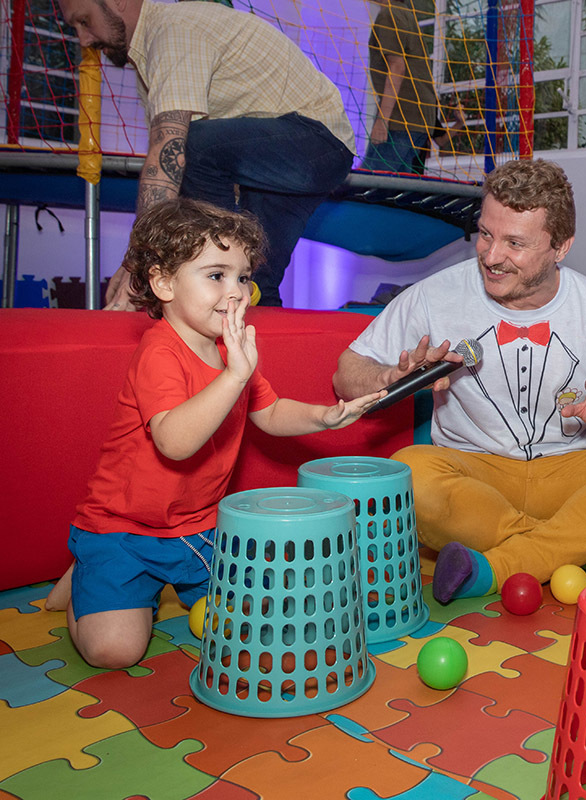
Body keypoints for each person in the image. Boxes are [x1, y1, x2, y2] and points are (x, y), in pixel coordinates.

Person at [333, 158, 586, 604]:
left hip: (567, 472)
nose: (491, 256)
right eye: (486, 234)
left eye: (515, 243)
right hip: (473, 473)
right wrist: (391, 376)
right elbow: (345, 375)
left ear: (560, 247)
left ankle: (501, 566)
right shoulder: (434, 294)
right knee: (409, 474)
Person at [45, 199, 382, 669]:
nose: (236, 292)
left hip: (199, 527)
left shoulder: (231, 350)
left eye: (243, 277)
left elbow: (269, 411)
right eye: (216, 275)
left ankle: (118, 579)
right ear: (164, 283)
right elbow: (174, 442)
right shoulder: (159, 352)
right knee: (115, 652)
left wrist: (322, 416)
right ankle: (88, 569)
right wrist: (233, 377)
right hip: (125, 527)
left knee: (262, 616)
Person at [56, 0, 356, 308]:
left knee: (190, 147)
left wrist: (139, 261)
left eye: (85, 21)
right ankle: (250, 344)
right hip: (289, 162)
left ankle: (213, 263)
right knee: (252, 283)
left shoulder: (172, 29)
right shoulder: (150, 60)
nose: (84, 40)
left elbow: (168, 156)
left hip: (315, 143)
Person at [365, 0, 464, 174]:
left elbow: (397, 66)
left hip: (402, 118)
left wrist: (383, 120)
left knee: (369, 181)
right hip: (417, 120)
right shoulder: (405, 13)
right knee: (398, 188)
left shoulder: (389, 14)